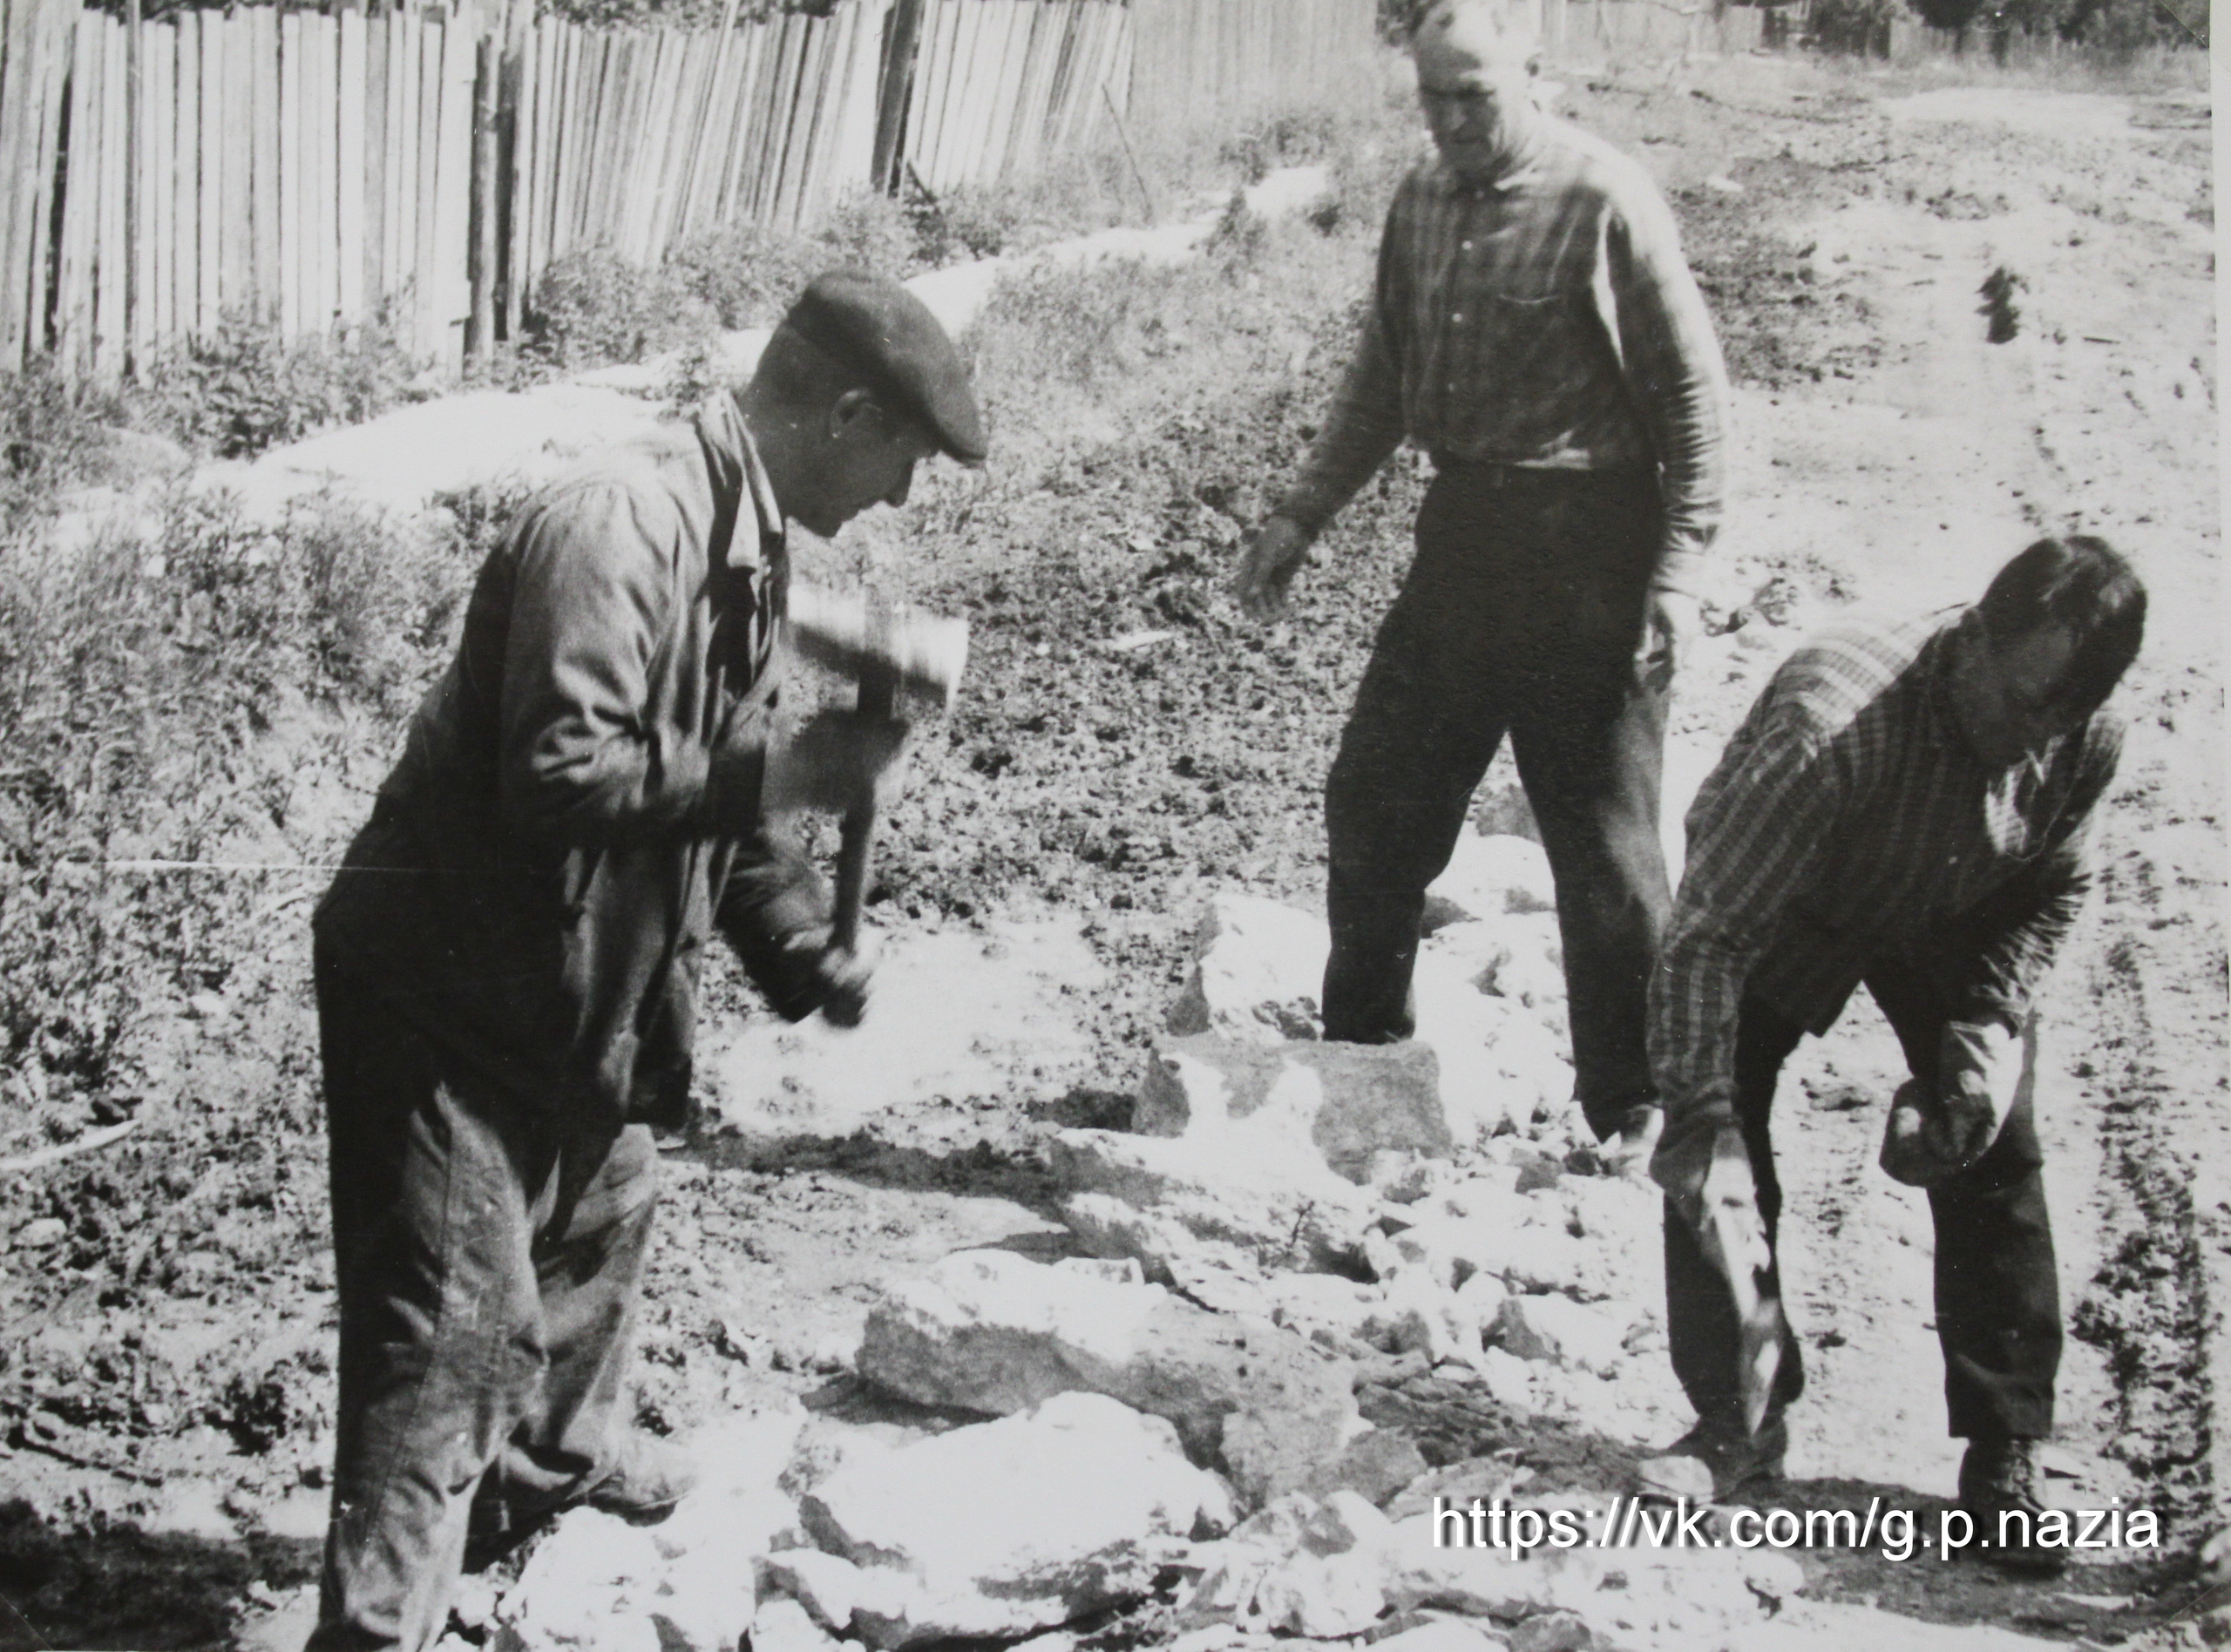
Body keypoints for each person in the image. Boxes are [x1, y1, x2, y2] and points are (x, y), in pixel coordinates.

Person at [307, 271, 987, 1649]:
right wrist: (798, 768)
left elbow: (713, 806)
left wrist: (797, 943)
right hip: (444, 994)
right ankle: (375, 1628)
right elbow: (562, 773)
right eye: (905, 459)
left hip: (571, 980)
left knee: (604, 1217)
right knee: (451, 1338)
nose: (903, 496)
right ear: (849, 414)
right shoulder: (621, 520)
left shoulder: (748, 546)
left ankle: (547, 1479)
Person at [1231, 0, 1727, 1168]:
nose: (1451, 120)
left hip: (1591, 547)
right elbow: (1379, 383)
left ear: (1532, 75)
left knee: (1602, 845)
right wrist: (1298, 516)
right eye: (1433, 96)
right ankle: (1364, 1056)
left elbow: (1694, 404)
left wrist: (1679, 574)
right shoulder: (1421, 201)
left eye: (1475, 96)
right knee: (1375, 797)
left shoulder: (1605, 201)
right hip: (1463, 537)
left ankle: (1637, 1108)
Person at [1644, 537, 2146, 1576]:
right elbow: (1708, 939)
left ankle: (2005, 1449)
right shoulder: (1830, 726)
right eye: (2021, 704)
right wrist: (1699, 1112)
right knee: (1719, 1143)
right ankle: (1739, 1418)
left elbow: (2058, 885)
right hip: (1795, 901)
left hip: (1961, 905)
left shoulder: (2081, 729)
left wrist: (1985, 1028)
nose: (2032, 740)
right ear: (1972, 639)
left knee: (1994, 1142)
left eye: (2059, 720)